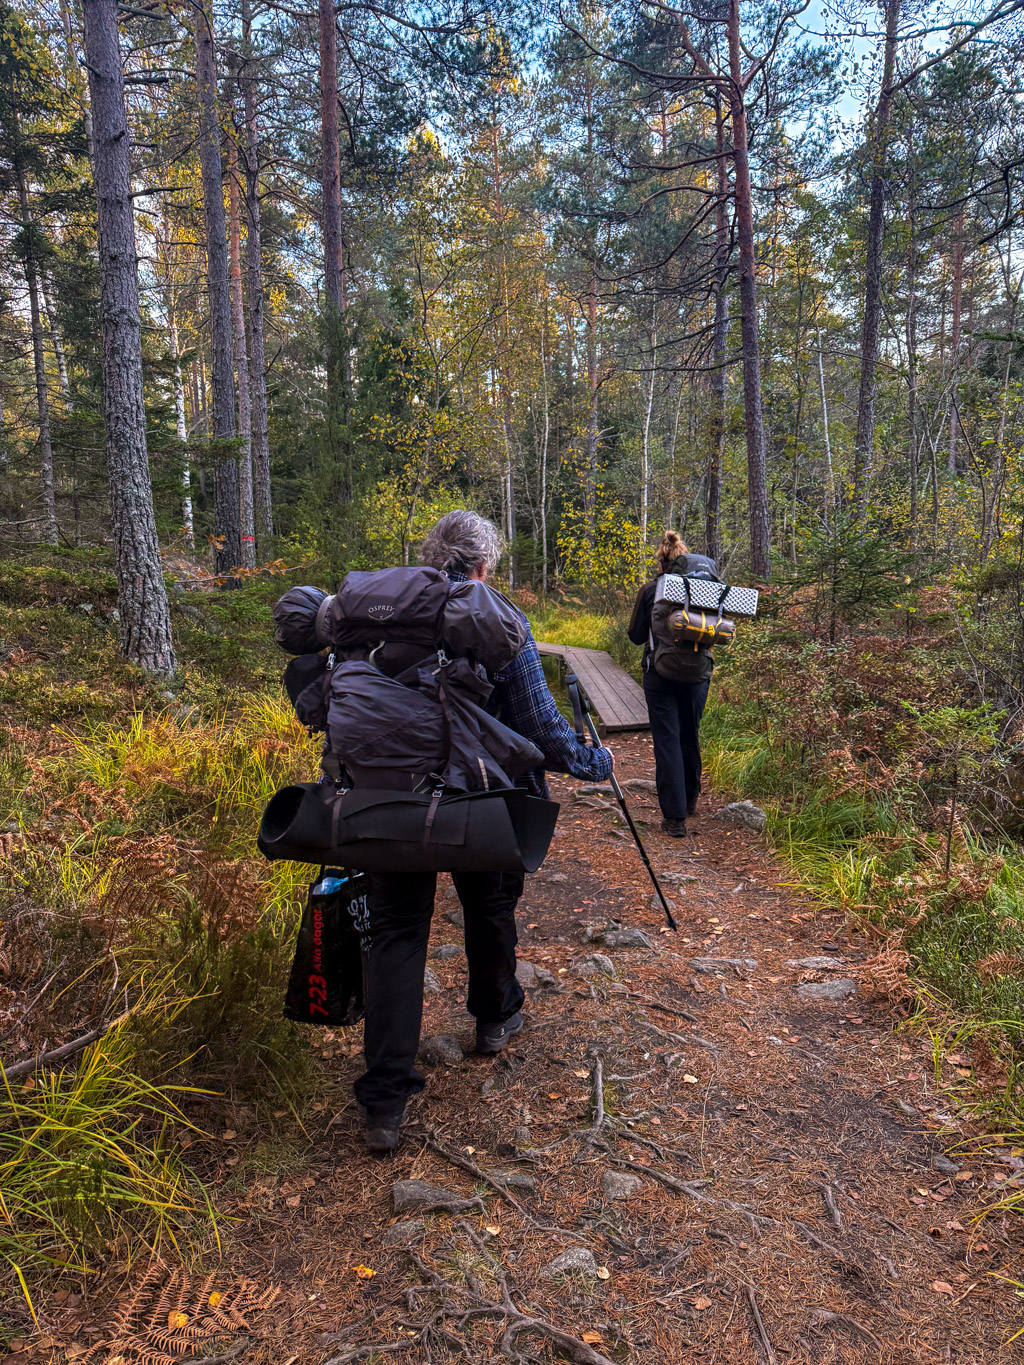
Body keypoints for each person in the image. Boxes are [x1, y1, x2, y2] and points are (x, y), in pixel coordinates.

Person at [358, 510, 613, 1152]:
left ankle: (385, 1099)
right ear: (483, 566)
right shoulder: (496, 620)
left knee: (396, 933)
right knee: (490, 904)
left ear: (429, 556)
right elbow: (540, 724)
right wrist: (593, 761)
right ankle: (494, 1018)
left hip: (392, 799)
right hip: (484, 796)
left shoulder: (379, 618)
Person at [628, 531, 715, 839]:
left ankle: (674, 818)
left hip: (660, 674)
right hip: (698, 676)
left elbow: (636, 636)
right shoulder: (706, 591)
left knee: (667, 741)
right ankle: (690, 801)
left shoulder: (652, 590)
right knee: (689, 736)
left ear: (661, 562)